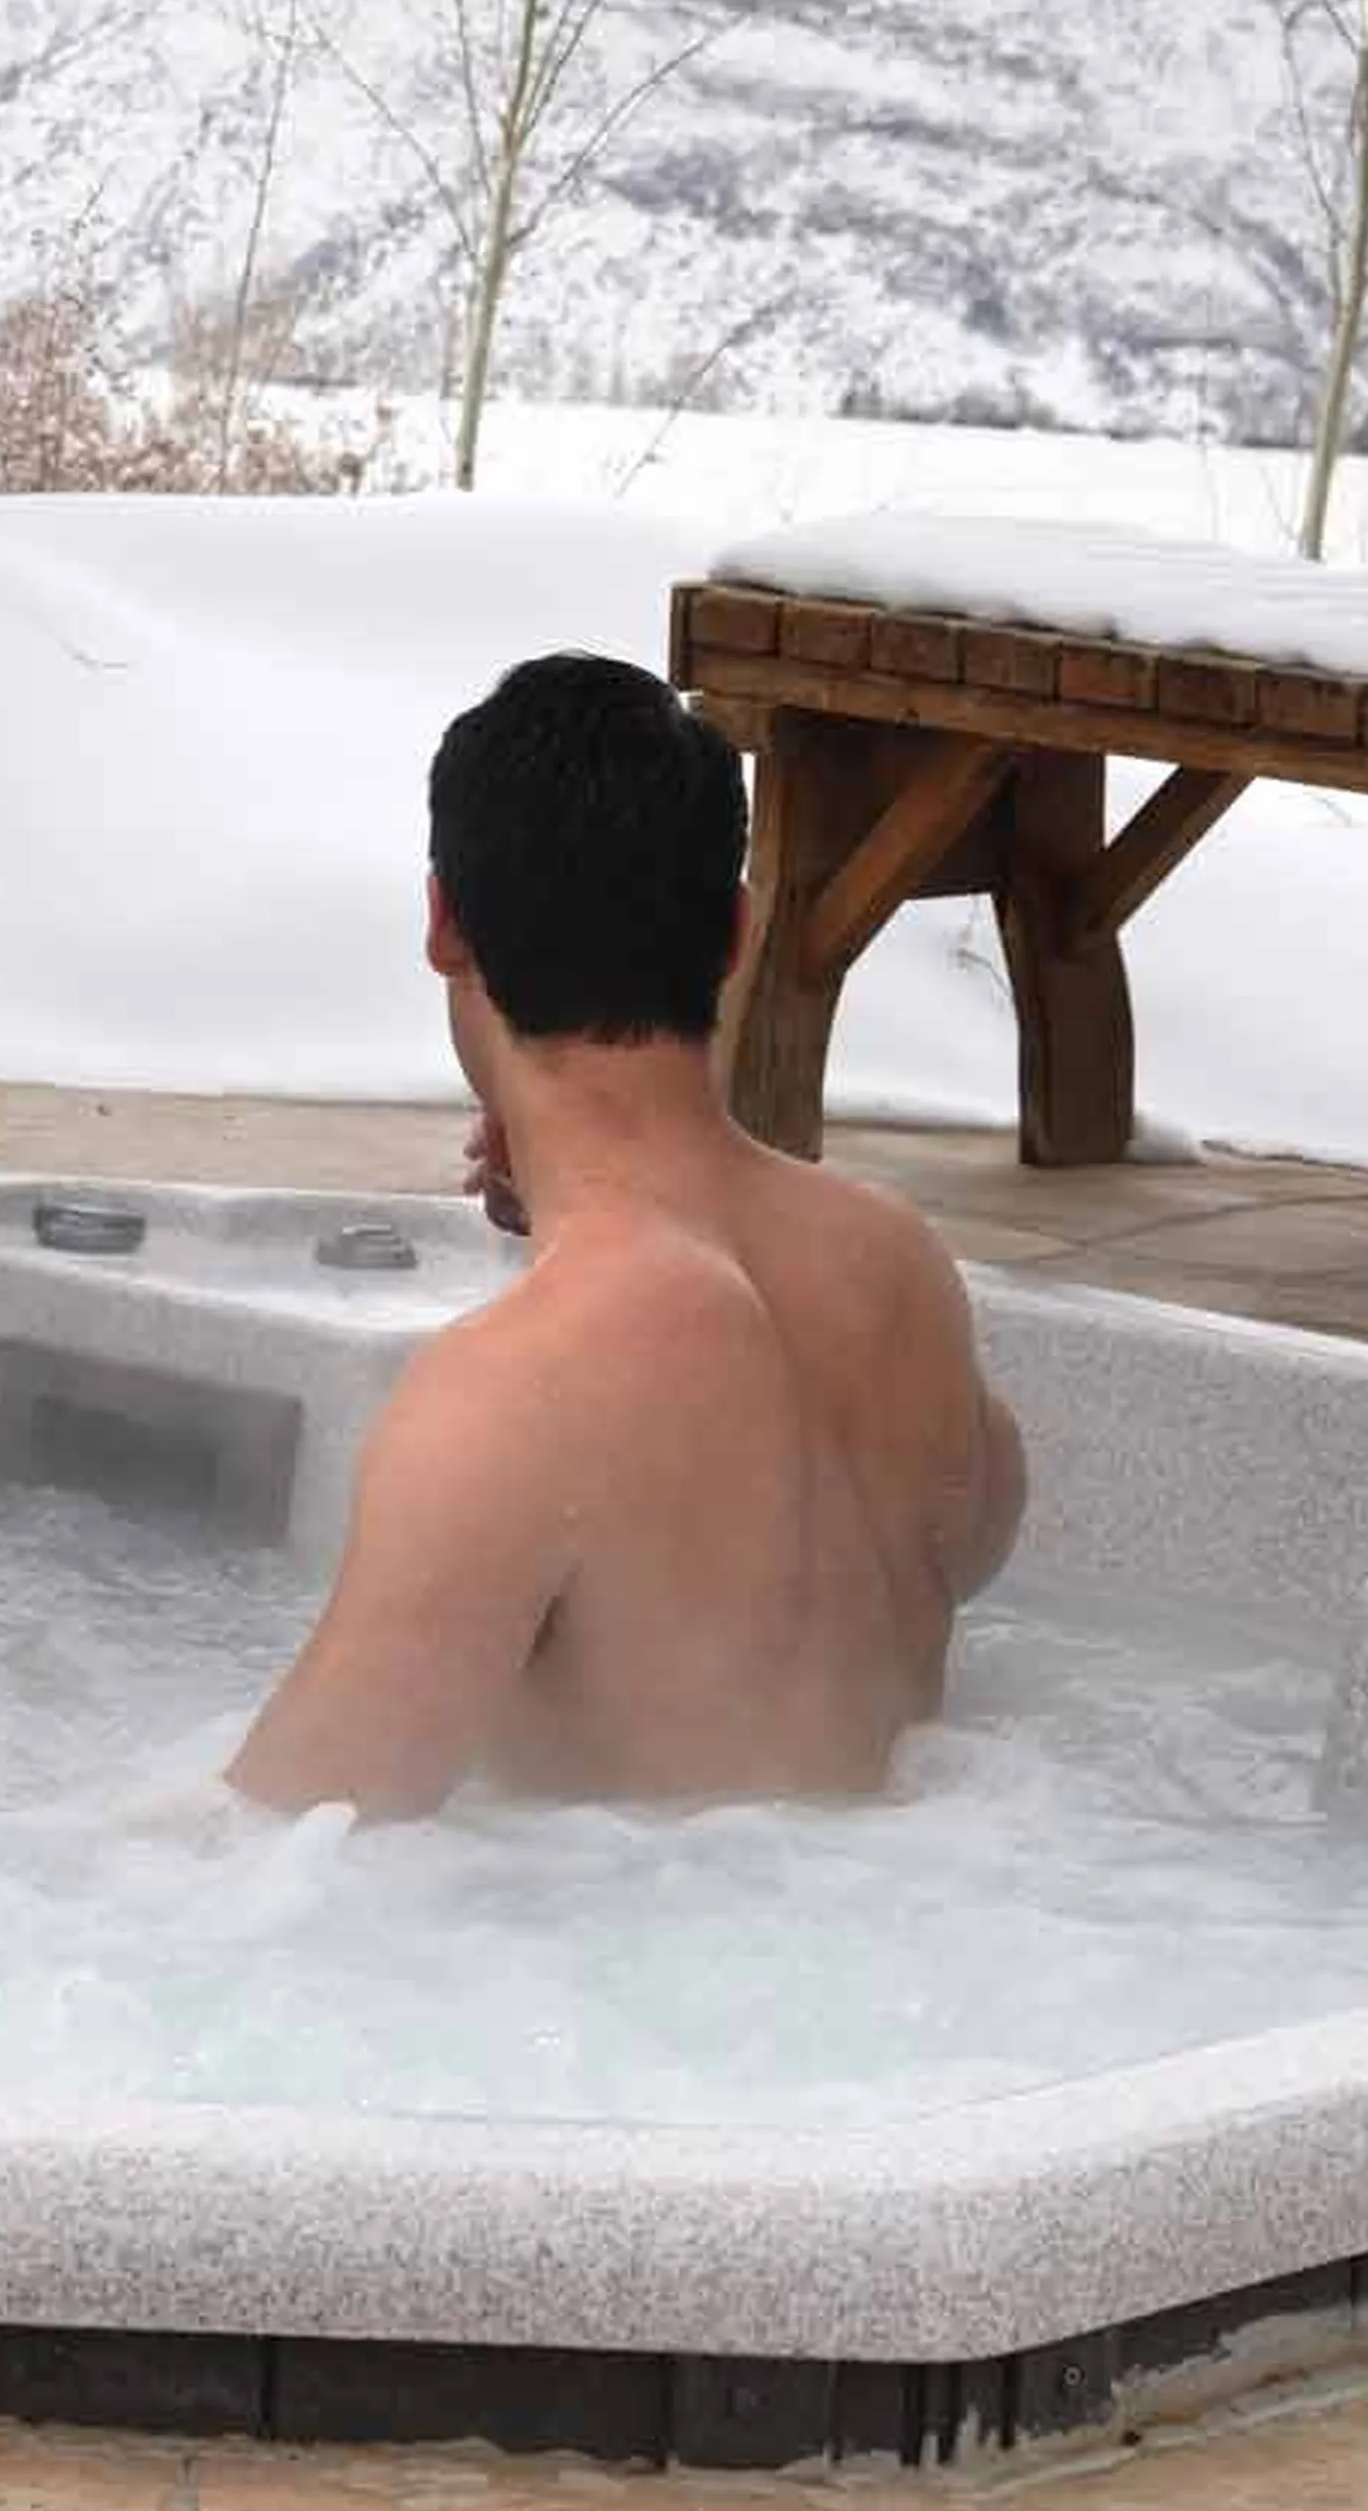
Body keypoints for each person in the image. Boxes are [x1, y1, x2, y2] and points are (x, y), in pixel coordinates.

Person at [226, 654, 1028, 1819]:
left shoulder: (517, 1388)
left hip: (612, 1971)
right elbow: (972, 1535)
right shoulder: (898, 1263)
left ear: (446, 922)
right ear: (737, 933)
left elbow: (284, 1838)